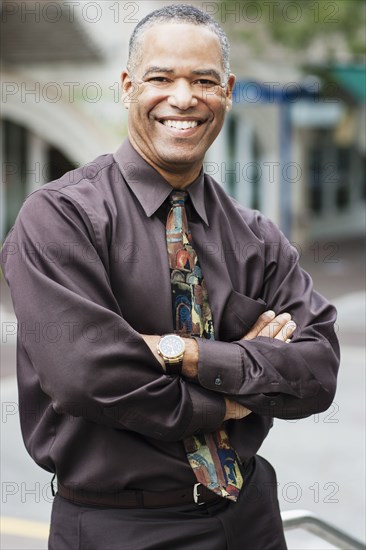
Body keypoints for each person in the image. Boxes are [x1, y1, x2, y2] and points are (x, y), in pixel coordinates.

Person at [0, 4, 340, 549]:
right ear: (128, 86)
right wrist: (233, 397)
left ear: (226, 90)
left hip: (250, 517)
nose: (183, 98)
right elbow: (88, 376)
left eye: (203, 80)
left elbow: (317, 372)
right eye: (161, 78)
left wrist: (181, 351)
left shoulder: (256, 235)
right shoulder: (60, 218)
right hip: (121, 528)